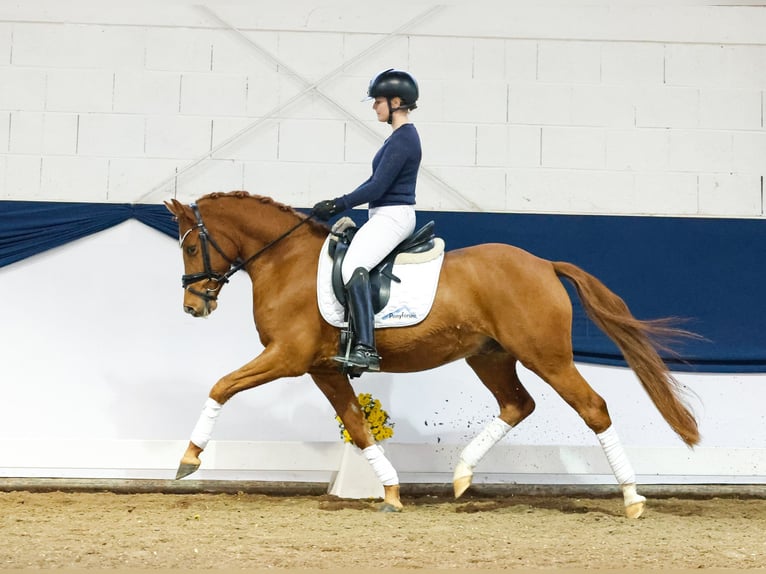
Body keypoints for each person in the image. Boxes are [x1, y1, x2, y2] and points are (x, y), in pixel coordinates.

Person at [312, 68, 422, 373]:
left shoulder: (404, 139)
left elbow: (377, 187)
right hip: (384, 215)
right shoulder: (398, 138)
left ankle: (366, 348)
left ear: (396, 101)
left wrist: (339, 203)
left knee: (352, 267)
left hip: (394, 216)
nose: (374, 106)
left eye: (378, 101)